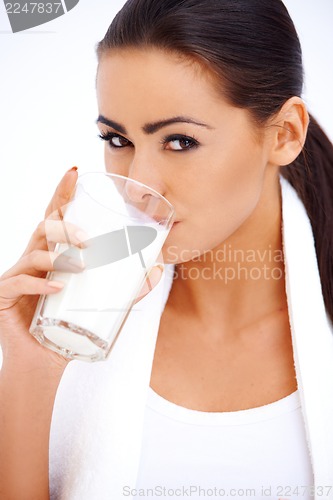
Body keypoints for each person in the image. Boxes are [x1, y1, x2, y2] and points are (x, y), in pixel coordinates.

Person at [1, 0, 333, 499]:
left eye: (179, 141)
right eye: (116, 139)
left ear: (284, 134)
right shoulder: (82, 329)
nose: (137, 184)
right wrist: (31, 365)